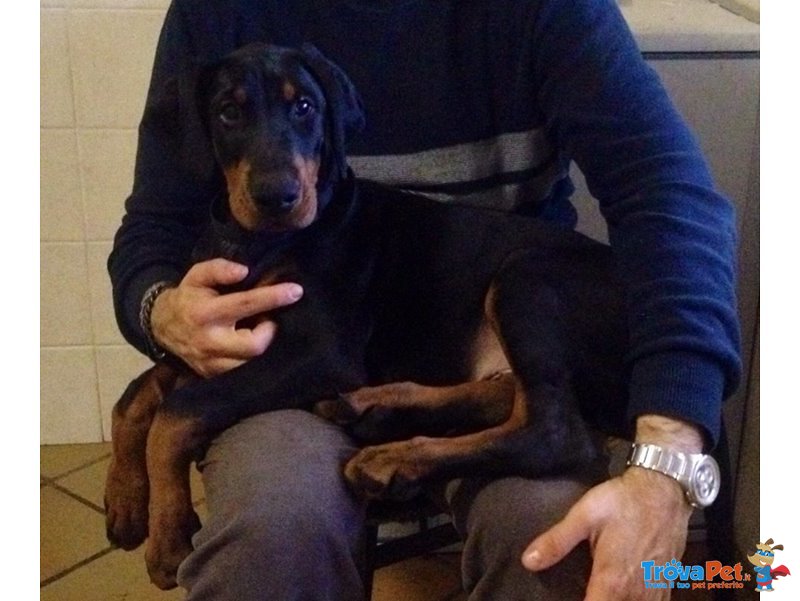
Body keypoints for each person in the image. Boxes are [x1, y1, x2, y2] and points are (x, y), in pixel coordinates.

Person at [108, 0, 741, 599]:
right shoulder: (219, 12)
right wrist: (160, 308)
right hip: (308, 381)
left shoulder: (549, 8)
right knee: (270, 534)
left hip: (519, 354)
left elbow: (672, 198)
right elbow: (154, 226)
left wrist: (669, 460)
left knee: (555, 542)